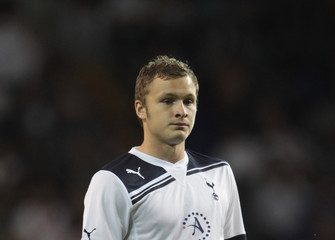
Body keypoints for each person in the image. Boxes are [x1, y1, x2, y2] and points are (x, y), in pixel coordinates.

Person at [81, 55, 247, 240]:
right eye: (168, 101)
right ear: (140, 109)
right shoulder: (112, 182)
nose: (181, 111)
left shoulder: (220, 173)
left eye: (188, 101)